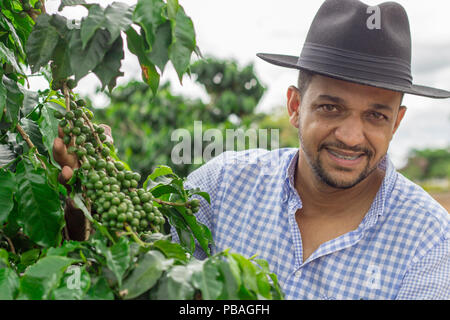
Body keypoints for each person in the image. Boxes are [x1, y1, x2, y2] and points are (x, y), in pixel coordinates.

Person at [55, 0, 450, 299]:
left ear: (396, 122)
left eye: (375, 116)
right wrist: (87, 192)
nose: (350, 136)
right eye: (331, 107)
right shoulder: (223, 184)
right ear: (296, 107)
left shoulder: (429, 240)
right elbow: (134, 262)